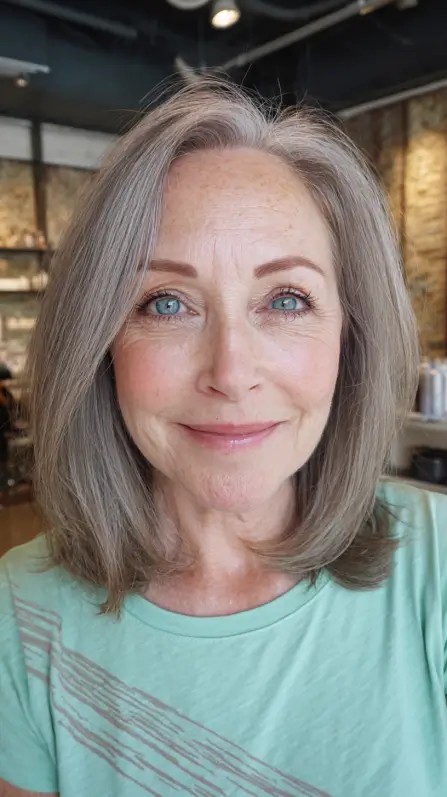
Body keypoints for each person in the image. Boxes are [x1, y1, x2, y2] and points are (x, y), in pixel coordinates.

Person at [0, 78, 445, 797]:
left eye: (286, 299)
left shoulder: (438, 565)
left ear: (350, 335)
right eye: (166, 303)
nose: (231, 373)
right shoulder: (17, 612)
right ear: (98, 341)